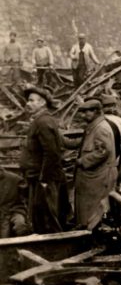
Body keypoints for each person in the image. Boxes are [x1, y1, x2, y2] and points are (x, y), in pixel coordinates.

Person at [19, 86, 69, 233]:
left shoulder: (43, 122)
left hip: (45, 179)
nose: (28, 104)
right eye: (28, 100)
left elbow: (52, 153)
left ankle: (56, 244)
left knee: (47, 217)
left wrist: (44, 179)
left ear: (42, 103)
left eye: (32, 101)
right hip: (39, 177)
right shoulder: (40, 120)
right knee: (42, 216)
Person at [74, 99, 117, 229]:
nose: (83, 115)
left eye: (86, 112)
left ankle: (91, 231)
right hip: (94, 176)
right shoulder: (94, 127)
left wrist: (82, 161)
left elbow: (103, 151)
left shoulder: (100, 128)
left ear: (96, 111)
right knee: (89, 208)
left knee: (95, 209)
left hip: (99, 176)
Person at [0, 169, 29, 238]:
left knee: (20, 225)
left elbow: (26, 198)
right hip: (2, 214)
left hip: (14, 210)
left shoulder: (15, 179)